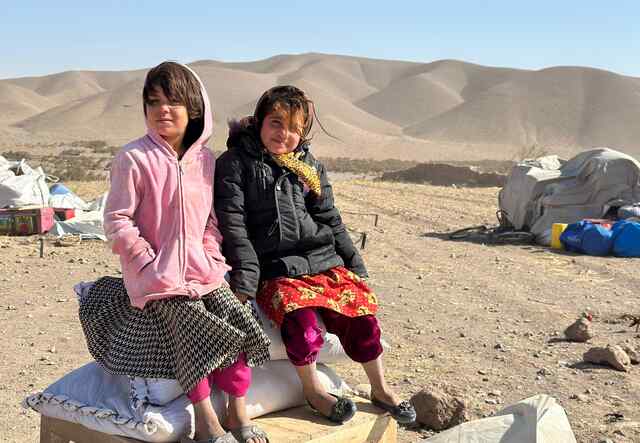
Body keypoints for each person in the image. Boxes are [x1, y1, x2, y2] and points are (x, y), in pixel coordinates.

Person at [78, 62, 270, 443]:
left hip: (204, 272)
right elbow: (117, 221)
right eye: (153, 101)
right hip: (156, 278)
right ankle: (205, 424)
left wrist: (213, 257)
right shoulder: (133, 158)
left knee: (240, 324)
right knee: (192, 330)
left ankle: (236, 412)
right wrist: (148, 264)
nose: (162, 109)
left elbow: (211, 221)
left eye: (173, 101)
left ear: (194, 109)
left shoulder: (206, 161)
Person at [214, 85, 416, 425]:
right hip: (275, 267)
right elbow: (234, 225)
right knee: (303, 325)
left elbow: (330, 218)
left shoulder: (309, 166)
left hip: (323, 262)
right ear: (260, 121)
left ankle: (380, 388)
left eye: (294, 128)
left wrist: (355, 265)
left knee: (362, 318)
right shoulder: (235, 164)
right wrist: (246, 278)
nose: (284, 134)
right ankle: (312, 390)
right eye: (276, 122)